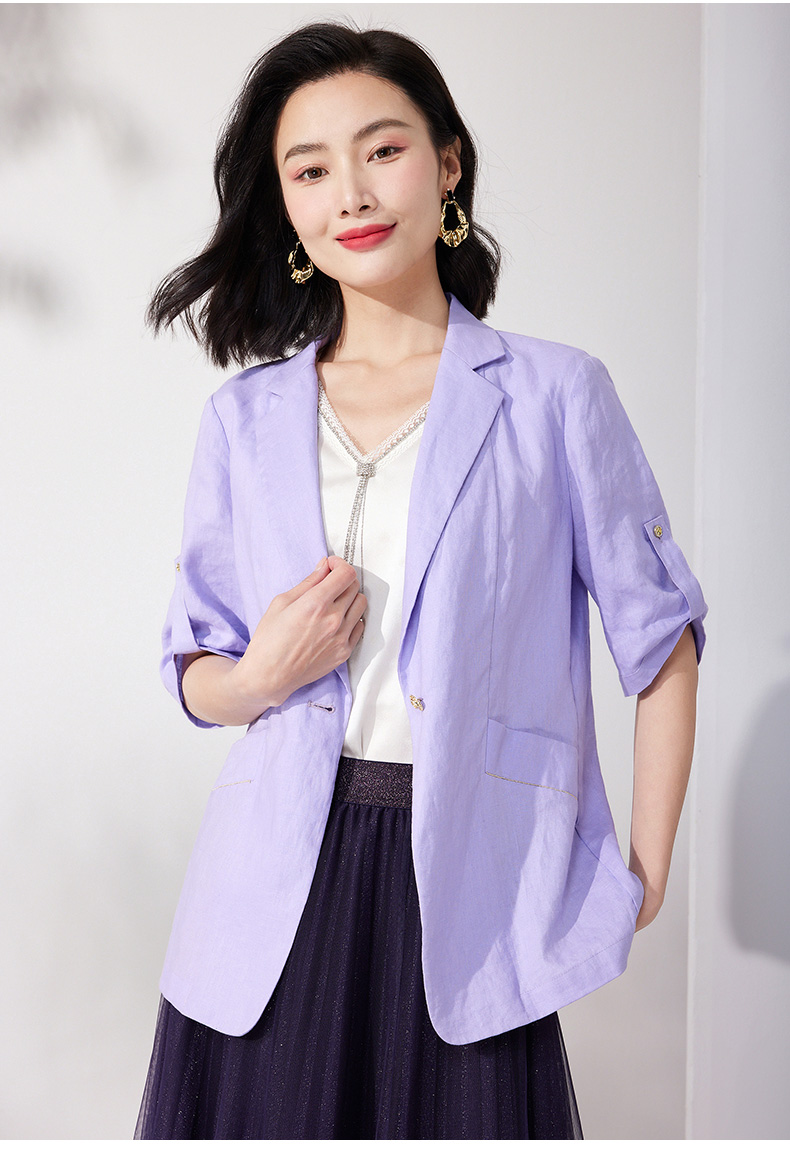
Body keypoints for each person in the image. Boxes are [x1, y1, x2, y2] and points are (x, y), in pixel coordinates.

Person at [134, 20, 707, 1141]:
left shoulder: (553, 394)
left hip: (478, 879)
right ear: (285, 205)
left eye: (383, 150)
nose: (350, 192)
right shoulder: (243, 420)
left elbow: (662, 638)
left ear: (447, 165)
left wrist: (646, 864)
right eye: (309, 170)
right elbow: (193, 660)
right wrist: (257, 678)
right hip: (272, 893)